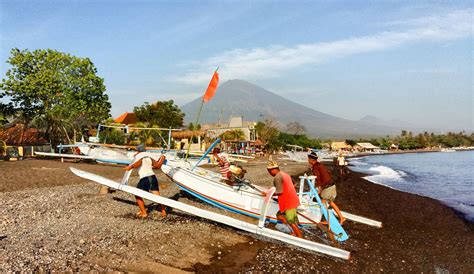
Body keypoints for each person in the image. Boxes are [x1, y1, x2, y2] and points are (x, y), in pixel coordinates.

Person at [124, 144, 167, 218]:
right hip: (153, 177)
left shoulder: (139, 157)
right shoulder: (149, 156)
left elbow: (139, 163)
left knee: (137, 194)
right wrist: (162, 158)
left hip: (145, 178)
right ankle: (163, 211)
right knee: (157, 196)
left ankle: (144, 212)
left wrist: (130, 167)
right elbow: (157, 166)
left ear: (138, 150)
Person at [266, 159, 302, 238]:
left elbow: (279, 192)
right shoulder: (285, 174)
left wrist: (269, 194)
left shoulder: (277, 177)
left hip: (288, 202)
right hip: (292, 199)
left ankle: (300, 237)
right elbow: (294, 184)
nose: (269, 173)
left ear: (273, 169)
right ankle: (293, 231)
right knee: (279, 215)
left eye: (269, 171)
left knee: (291, 221)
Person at [307, 151, 345, 224]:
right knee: (331, 203)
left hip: (327, 187)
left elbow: (318, 178)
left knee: (322, 204)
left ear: (312, 159)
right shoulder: (320, 165)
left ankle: (328, 220)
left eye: (308, 159)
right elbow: (327, 174)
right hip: (332, 185)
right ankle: (341, 217)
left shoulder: (315, 167)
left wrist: (319, 189)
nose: (308, 160)